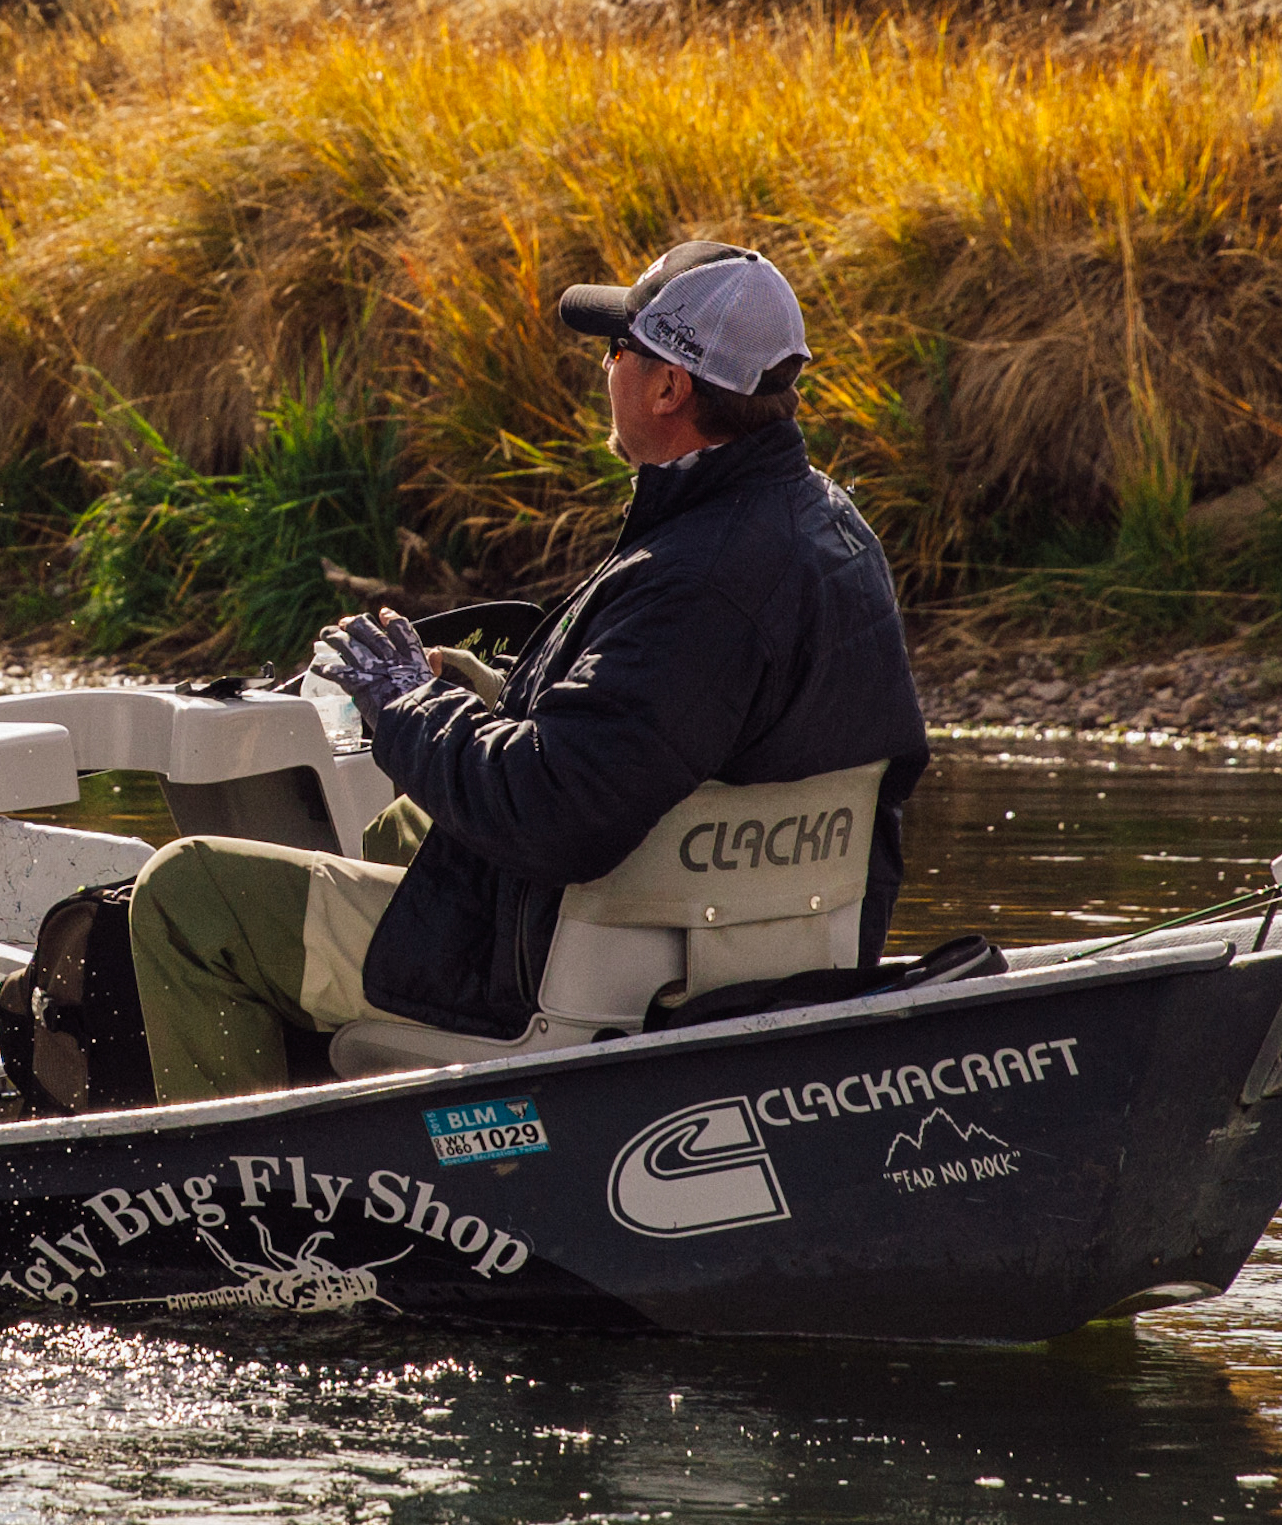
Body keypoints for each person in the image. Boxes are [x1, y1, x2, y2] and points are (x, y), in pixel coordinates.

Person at [123, 238, 930, 1104]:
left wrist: (406, 705)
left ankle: (232, 1199)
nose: (607, 369)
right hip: (750, 943)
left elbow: (554, 814)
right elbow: (661, 732)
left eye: (620, 350)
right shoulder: (826, 528)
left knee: (190, 893)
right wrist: (484, 697)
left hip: (560, 978)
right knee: (405, 825)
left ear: (668, 388)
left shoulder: (693, 578)